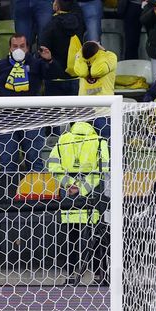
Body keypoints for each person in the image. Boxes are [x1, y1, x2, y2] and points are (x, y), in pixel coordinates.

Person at [0, 33, 59, 172]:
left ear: (27, 48)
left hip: (32, 115)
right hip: (6, 116)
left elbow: (53, 75)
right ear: (9, 48)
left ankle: (35, 193)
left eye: (22, 46)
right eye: (15, 46)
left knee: (34, 161)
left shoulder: (36, 63)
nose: (18, 49)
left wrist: (49, 60)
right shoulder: (1, 64)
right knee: (7, 161)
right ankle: (6, 193)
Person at [47, 121, 109, 286]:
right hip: (93, 194)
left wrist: (69, 183)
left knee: (70, 236)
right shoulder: (100, 141)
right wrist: (83, 189)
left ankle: (70, 275)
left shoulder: (63, 139)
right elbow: (104, 168)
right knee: (97, 235)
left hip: (67, 193)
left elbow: (52, 164)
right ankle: (99, 276)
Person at [39, 0, 85, 96]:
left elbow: (43, 48)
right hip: (77, 77)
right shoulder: (79, 22)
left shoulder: (50, 25)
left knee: (55, 111)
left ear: (57, 6)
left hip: (56, 79)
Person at [73, 40, 116, 138]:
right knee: (83, 142)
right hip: (83, 109)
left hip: (103, 108)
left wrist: (101, 52)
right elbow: (82, 72)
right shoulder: (81, 58)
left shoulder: (110, 56)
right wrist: (82, 53)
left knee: (106, 141)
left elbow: (96, 71)